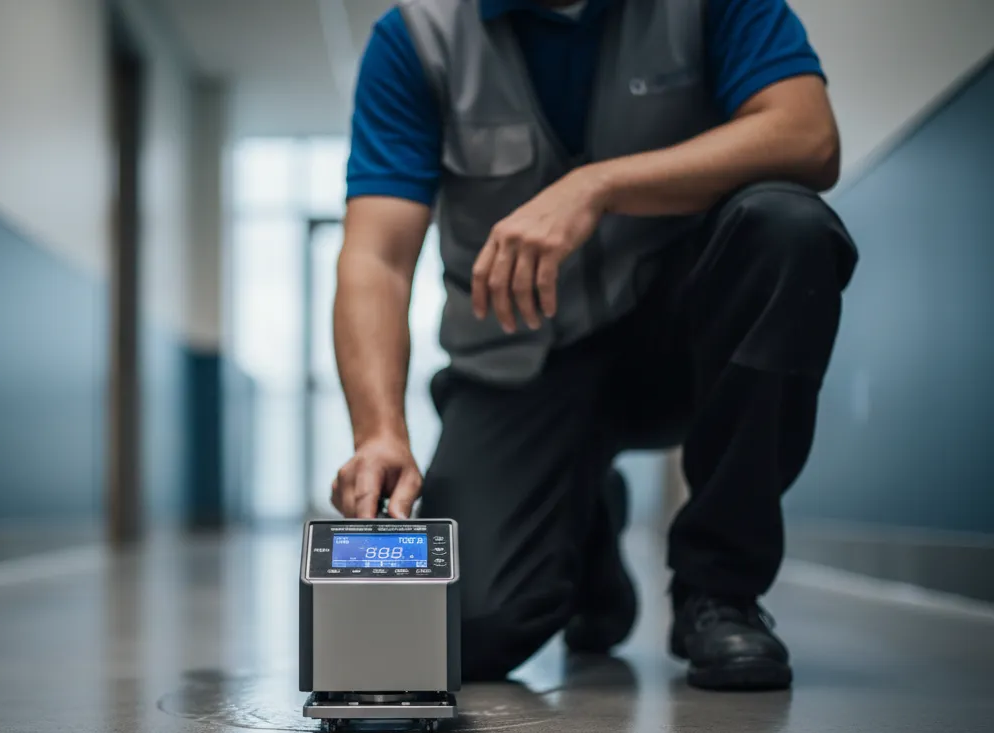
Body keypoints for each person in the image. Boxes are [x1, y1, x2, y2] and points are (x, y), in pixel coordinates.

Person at [329, 0, 858, 690]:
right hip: (520, 366)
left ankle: (719, 590)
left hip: (676, 343)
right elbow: (378, 258)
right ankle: (586, 522)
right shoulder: (417, 40)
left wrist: (600, 185)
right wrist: (379, 432)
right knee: (468, 628)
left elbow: (807, 136)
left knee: (787, 227)